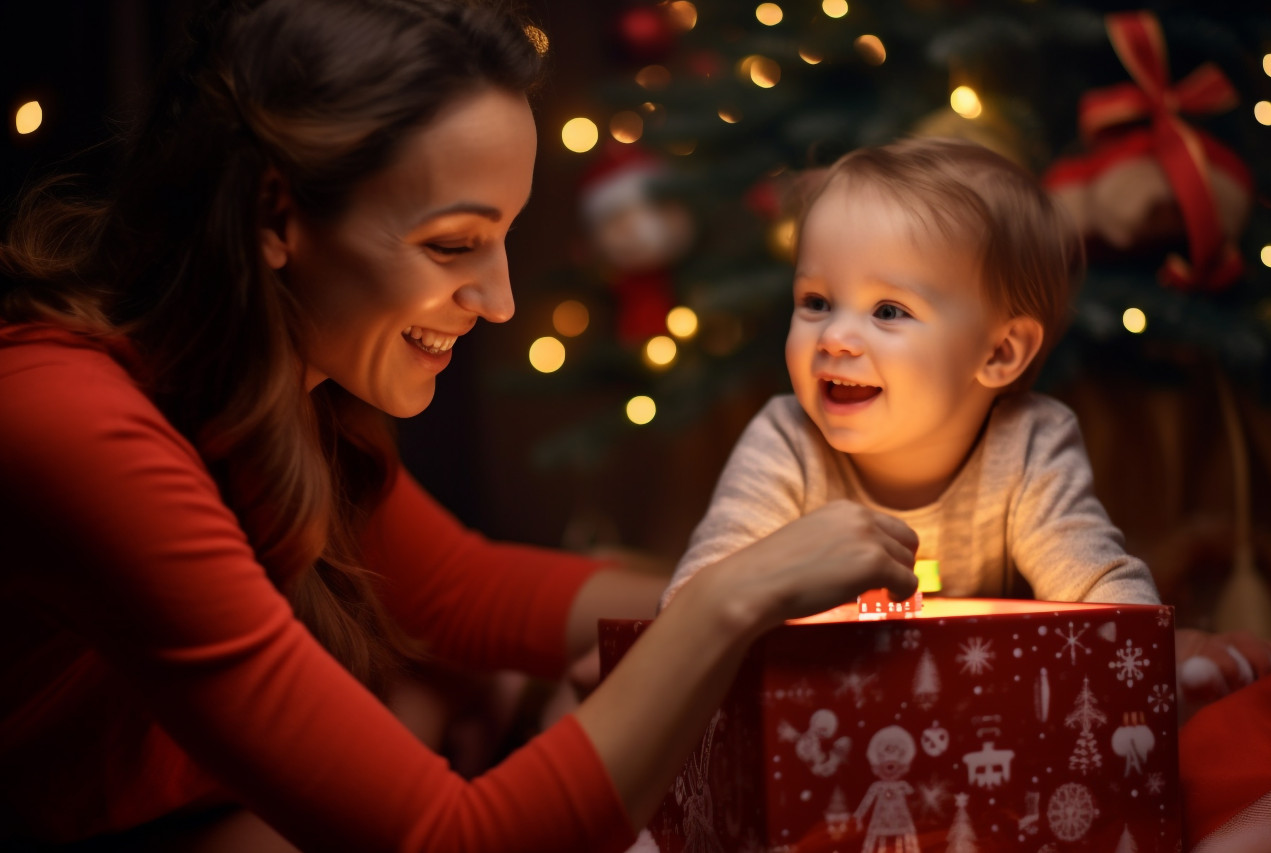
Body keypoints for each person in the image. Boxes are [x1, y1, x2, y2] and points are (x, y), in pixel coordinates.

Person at [0, 1, 925, 851]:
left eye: (504, 237)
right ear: (274, 215)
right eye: (452, 244)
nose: (499, 299)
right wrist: (728, 603)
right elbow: (453, 840)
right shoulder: (72, 424)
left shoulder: (276, 395)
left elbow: (462, 590)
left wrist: (781, 600)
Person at [659, 138, 1271, 708]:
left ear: (999, 353)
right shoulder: (785, 440)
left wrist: (1147, 661)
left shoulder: (1028, 444)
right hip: (815, 712)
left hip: (980, 717)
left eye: (888, 310)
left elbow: (1097, 587)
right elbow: (697, 601)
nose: (835, 337)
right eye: (816, 302)